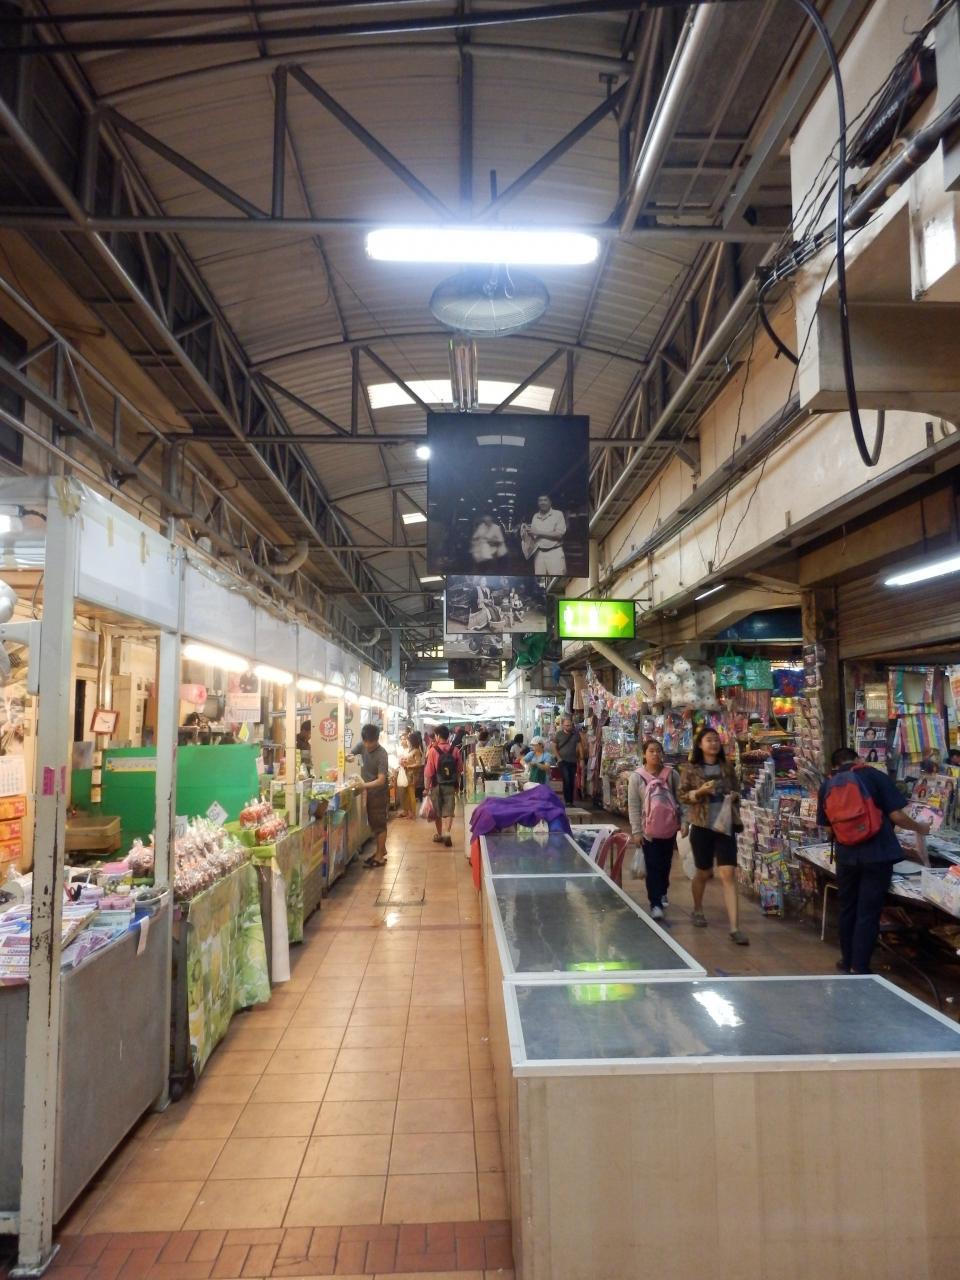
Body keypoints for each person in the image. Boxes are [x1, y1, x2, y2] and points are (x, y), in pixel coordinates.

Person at [817, 746, 931, 974]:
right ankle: (860, 966)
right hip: (877, 854)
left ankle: (846, 961)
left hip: (846, 856)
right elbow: (897, 815)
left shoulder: (827, 785)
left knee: (847, 908)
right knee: (868, 911)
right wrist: (920, 828)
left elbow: (828, 829)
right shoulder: (875, 776)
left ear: (834, 765)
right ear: (858, 759)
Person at [680, 728, 748, 945]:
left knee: (728, 874)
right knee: (704, 872)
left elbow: (737, 791)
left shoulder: (727, 767)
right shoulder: (691, 769)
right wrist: (700, 792)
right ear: (700, 745)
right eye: (709, 740)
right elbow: (682, 795)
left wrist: (734, 796)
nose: (714, 743)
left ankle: (735, 928)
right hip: (702, 826)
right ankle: (698, 908)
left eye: (716, 740)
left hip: (725, 827)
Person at [628, 739, 684, 920]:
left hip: (669, 828)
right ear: (644, 754)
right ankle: (655, 903)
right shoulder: (636, 777)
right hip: (648, 831)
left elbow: (681, 799)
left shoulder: (672, 775)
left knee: (665, 863)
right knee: (652, 864)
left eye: (658, 751)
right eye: (651, 751)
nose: (655, 754)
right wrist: (636, 831)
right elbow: (633, 805)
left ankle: (662, 891)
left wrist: (684, 822)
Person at [355, 723, 390, 867]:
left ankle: (380, 857)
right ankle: (381, 850)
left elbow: (381, 780)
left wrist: (363, 786)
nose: (368, 745)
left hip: (378, 794)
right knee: (374, 824)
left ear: (377, 739)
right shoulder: (361, 745)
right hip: (368, 793)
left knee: (379, 824)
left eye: (371, 742)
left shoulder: (382, 754)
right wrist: (349, 757)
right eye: (365, 741)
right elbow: (350, 754)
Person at [424, 724, 462, 847]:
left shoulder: (433, 750)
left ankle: (440, 834)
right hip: (450, 785)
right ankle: (447, 833)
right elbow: (459, 770)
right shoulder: (455, 750)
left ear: (438, 736)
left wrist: (426, 788)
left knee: (437, 811)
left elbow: (429, 772)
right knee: (449, 810)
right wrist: (457, 785)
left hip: (436, 785)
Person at [522, 494, 567, 575]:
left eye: (545, 500)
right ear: (538, 503)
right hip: (539, 553)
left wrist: (538, 532)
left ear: (550, 502)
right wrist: (526, 532)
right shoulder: (535, 516)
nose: (542, 502)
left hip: (555, 553)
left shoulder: (558, 514)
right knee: (539, 577)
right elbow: (534, 535)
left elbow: (559, 535)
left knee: (557, 577)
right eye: (540, 500)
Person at [552, 714, 583, 805]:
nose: (568, 727)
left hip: (573, 761)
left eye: (570, 725)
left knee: (572, 780)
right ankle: (568, 801)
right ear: (563, 725)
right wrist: (558, 758)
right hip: (563, 761)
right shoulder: (559, 734)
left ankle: (570, 801)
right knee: (566, 779)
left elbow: (580, 746)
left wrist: (581, 759)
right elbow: (554, 747)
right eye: (566, 725)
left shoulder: (576, 734)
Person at [398, 730, 424, 819]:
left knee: (411, 794)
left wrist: (408, 766)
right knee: (408, 795)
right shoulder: (411, 750)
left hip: (412, 775)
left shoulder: (416, 751)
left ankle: (413, 813)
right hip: (407, 774)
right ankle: (409, 812)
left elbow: (418, 763)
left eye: (408, 741)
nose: (407, 742)